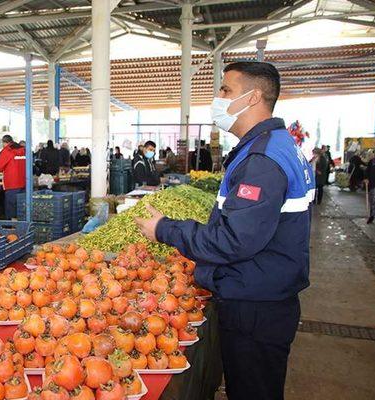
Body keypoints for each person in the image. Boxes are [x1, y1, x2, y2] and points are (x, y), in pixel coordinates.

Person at [135, 62, 313, 400]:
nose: (218, 98)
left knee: (253, 390)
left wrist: (165, 229)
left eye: (226, 90)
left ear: (254, 97)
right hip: (266, 292)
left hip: (256, 303)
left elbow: (235, 240)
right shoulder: (276, 146)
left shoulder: (262, 159)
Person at [0, 135, 26, 219]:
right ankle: (22, 226)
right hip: (24, 183)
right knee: (21, 207)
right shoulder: (24, 150)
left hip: (12, 184)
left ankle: (11, 227)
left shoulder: (7, 151)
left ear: (4, 142)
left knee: (11, 208)